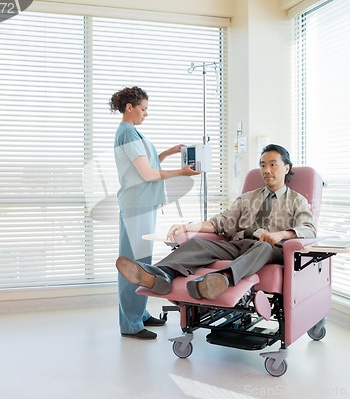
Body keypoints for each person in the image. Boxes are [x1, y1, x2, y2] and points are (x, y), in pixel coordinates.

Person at [115, 144, 316, 300]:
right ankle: (161, 275)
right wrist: (187, 227)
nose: (266, 170)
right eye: (263, 165)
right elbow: (221, 222)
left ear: (286, 167)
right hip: (239, 245)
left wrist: (280, 234)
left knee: (262, 247)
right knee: (196, 243)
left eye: (273, 164)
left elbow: (309, 229)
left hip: (271, 249)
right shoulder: (248, 197)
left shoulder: (297, 200)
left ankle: (222, 279)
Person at [111, 86, 201, 340]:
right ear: (130, 107)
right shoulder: (127, 134)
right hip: (136, 205)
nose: (146, 114)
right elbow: (148, 174)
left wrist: (170, 152)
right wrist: (182, 173)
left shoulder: (133, 133)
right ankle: (130, 323)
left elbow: (149, 163)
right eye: (143, 109)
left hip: (144, 204)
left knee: (143, 263)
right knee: (133, 264)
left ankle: (138, 312)